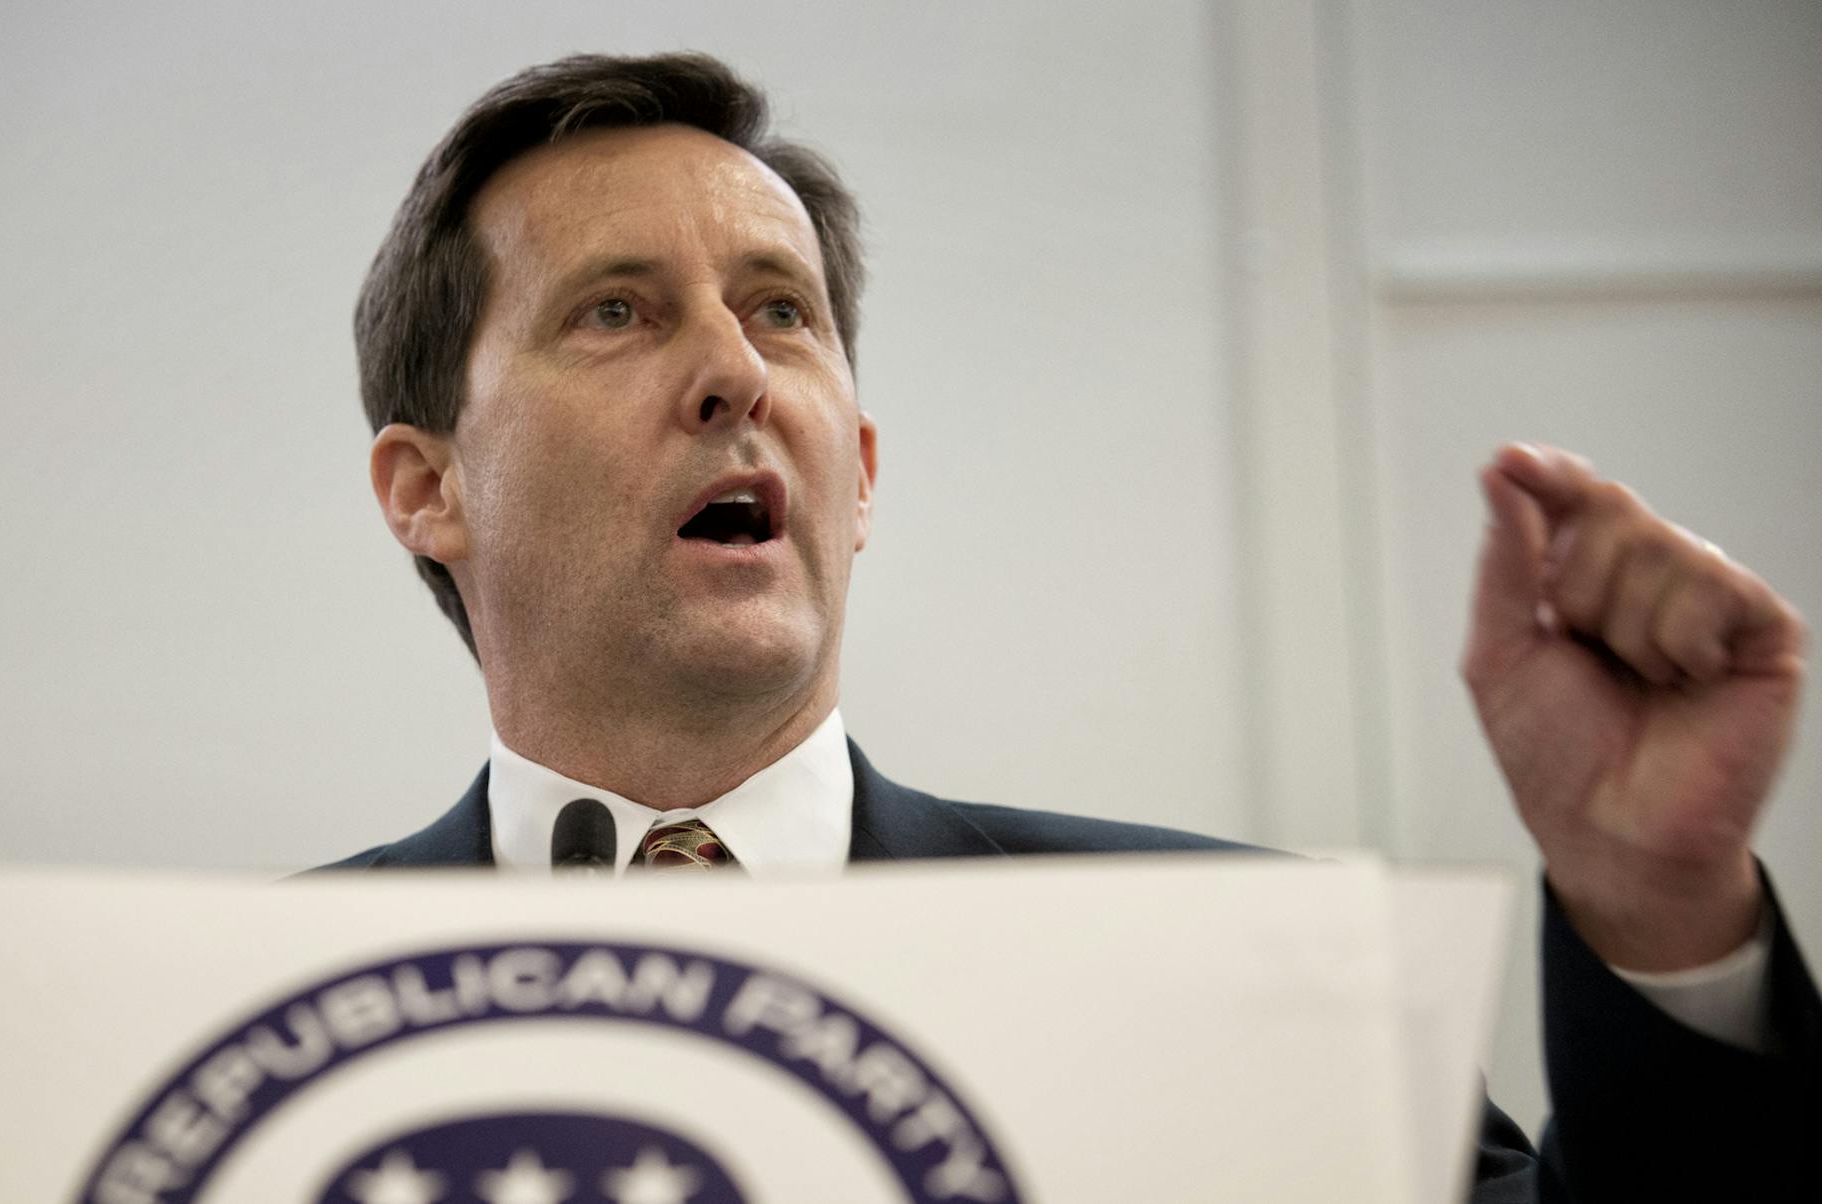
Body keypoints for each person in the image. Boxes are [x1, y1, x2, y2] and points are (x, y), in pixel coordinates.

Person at [320, 52, 1819, 1200]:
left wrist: (1663, 916)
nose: (735, 374)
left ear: (860, 478)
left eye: (782, 311)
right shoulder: (217, 1009)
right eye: (617, 313)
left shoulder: (1233, 981)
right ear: (426, 487)